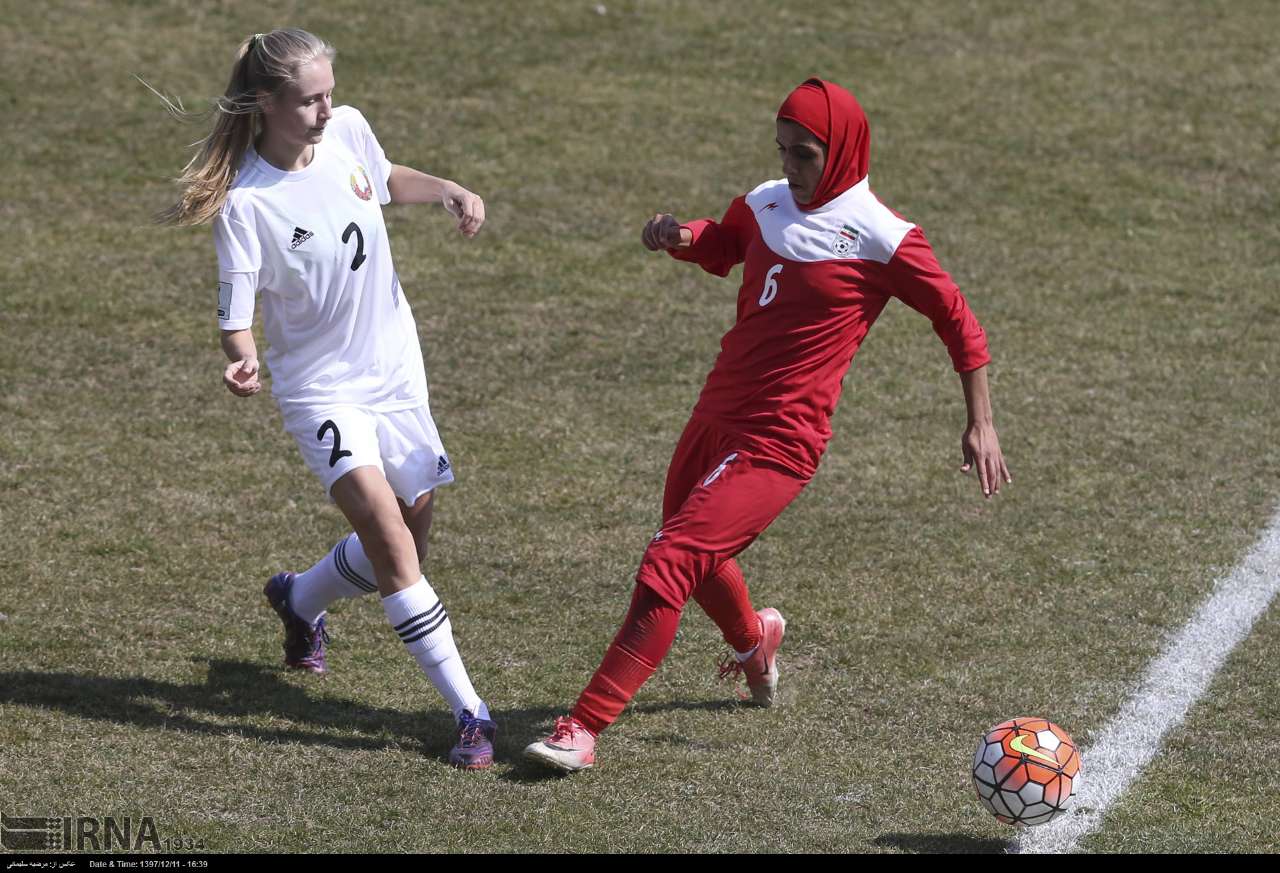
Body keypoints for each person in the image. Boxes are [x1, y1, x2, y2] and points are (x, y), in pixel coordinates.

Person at [523, 78, 1010, 772]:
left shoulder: (882, 236)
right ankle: (755, 640)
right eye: (782, 149)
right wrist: (681, 236)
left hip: (780, 442)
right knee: (694, 559)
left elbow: (957, 319)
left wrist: (980, 422)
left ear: (842, 151)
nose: (790, 166)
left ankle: (584, 725)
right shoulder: (766, 201)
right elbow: (724, 244)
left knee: (669, 561)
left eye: (804, 154)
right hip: (714, 413)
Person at [158, 29, 496, 769]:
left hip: (394, 367)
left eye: (329, 95)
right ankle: (471, 714)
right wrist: (243, 360)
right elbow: (235, 319)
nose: (325, 111)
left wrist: (446, 189)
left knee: (406, 541)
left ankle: (299, 598)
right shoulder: (246, 203)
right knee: (391, 544)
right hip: (322, 391)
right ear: (265, 104)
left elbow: (382, 176)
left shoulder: (346, 130)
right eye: (309, 100)